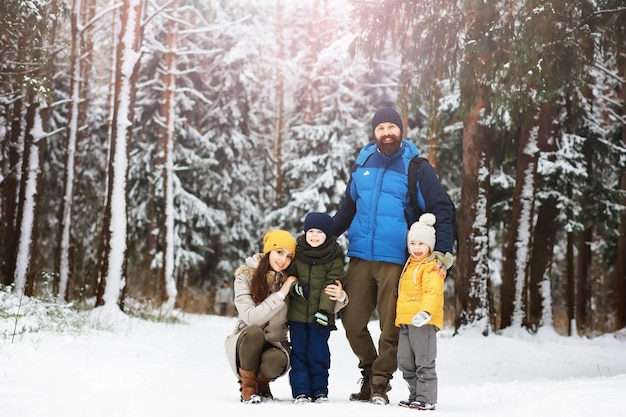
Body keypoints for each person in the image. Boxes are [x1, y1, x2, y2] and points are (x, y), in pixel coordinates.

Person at [331, 107, 454, 405]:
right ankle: (369, 369)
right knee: (351, 320)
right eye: (380, 127)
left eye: (392, 127)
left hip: (398, 259)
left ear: (401, 130)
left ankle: (379, 384)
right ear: (374, 132)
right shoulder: (363, 163)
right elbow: (347, 210)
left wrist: (443, 252)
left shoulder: (416, 166)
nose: (386, 132)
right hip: (361, 255)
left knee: (391, 324)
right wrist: (319, 238)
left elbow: (442, 207)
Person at [224, 229, 298, 404]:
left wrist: (340, 297)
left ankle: (262, 383)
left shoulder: (289, 280)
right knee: (255, 332)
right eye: (279, 252)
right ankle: (248, 386)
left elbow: (313, 304)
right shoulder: (245, 278)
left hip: (274, 344)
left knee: (276, 360)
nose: (283, 260)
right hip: (246, 343)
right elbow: (251, 318)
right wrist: (281, 293)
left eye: (289, 256)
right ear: (268, 252)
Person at [287, 212, 348, 404]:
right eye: (310, 231)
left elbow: (332, 285)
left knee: (318, 353)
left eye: (319, 232)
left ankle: (320, 391)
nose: (314, 235)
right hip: (297, 316)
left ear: (327, 234)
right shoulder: (297, 253)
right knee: (299, 354)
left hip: (320, 319)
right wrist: (294, 286)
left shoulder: (334, 256)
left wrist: (324, 311)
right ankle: (301, 392)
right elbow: (289, 275)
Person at [396, 213, 444, 410]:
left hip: (424, 321)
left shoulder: (432, 267)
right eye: (413, 243)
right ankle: (415, 394)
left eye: (421, 244)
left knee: (424, 360)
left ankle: (427, 397)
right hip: (406, 321)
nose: (416, 248)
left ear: (430, 246)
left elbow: (433, 292)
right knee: (404, 360)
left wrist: (425, 312)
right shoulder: (408, 265)